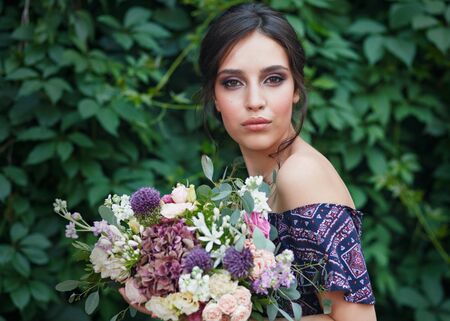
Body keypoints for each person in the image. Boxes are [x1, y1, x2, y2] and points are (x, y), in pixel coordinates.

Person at [121, 3, 377, 320]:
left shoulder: (301, 174)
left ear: (297, 88)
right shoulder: (255, 185)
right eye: (233, 82)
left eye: (273, 78)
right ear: (214, 96)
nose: (254, 101)